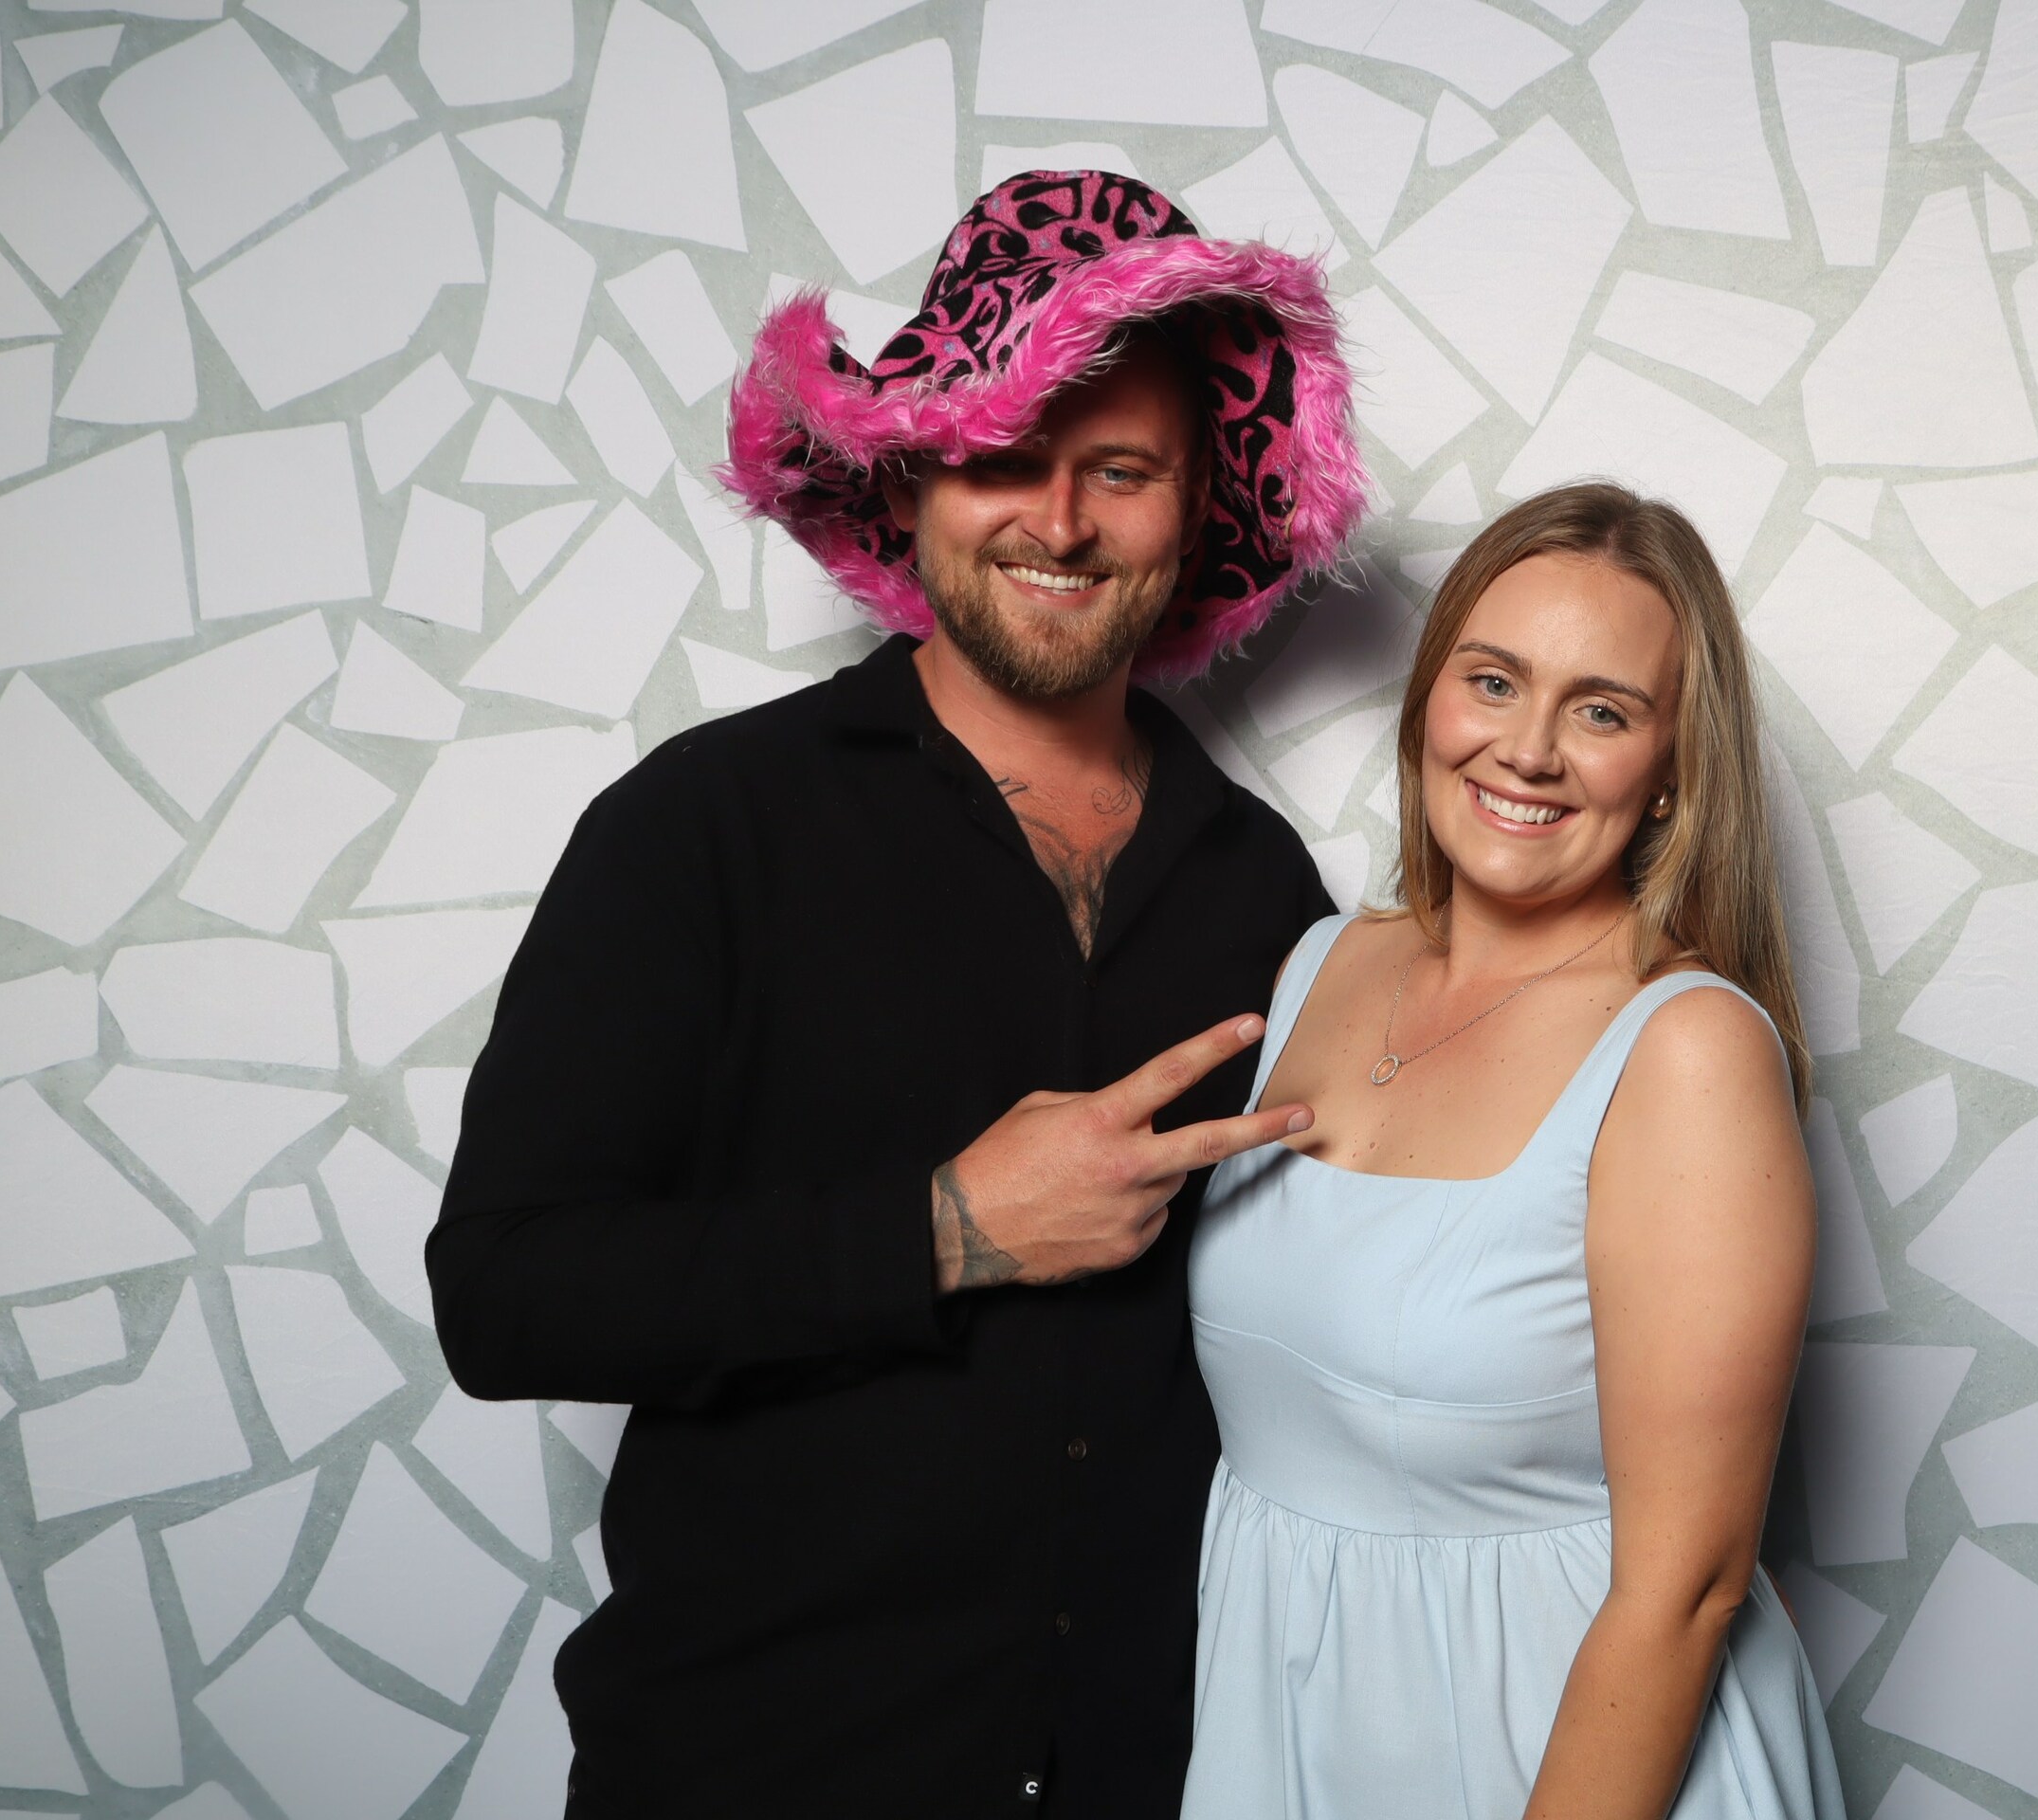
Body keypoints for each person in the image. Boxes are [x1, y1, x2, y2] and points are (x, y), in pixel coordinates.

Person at [427, 171, 1369, 1816]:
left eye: (1121, 470)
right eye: (1002, 454)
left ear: (1196, 508)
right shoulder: (706, 825)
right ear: (915, 475)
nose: (1058, 523)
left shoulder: (1263, 888)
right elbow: (505, 1298)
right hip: (753, 1778)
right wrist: (950, 1228)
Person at [1183, 483, 1848, 1819]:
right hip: (1293, 1734)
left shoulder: (1688, 1051)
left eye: (1602, 711)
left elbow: (1688, 1589)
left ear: (1673, 767)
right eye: (1493, 681)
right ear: (1431, 698)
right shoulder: (1321, 963)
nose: (1528, 750)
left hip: (1573, 1763)